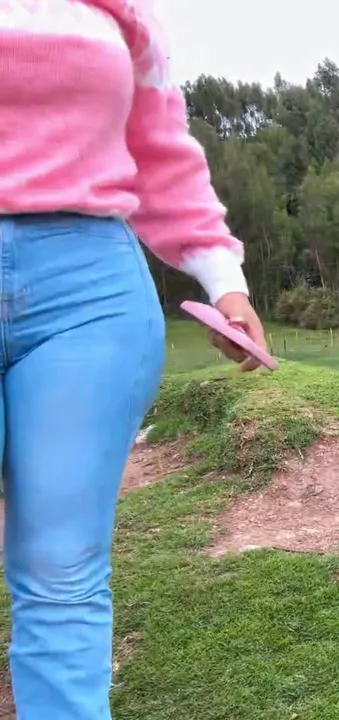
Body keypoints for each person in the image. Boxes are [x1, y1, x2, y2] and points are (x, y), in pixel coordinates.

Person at [0, 1, 267, 717]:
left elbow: (160, 151)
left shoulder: (119, 13)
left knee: (62, 570)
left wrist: (224, 281)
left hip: (87, 294)